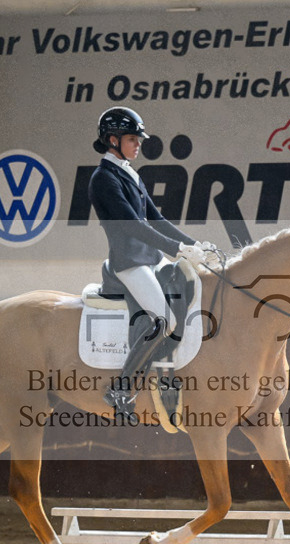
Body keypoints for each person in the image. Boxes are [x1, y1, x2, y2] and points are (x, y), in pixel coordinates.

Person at [87, 106, 214, 421]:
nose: (138, 144)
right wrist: (177, 249)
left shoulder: (130, 172)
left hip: (151, 259)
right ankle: (121, 388)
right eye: (132, 139)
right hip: (129, 262)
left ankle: (168, 371)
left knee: (189, 287)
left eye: (137, 139)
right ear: (113, 140)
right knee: (163, 320)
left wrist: (193, 245)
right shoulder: (103, 178)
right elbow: (133, 225)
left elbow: (155, 219)